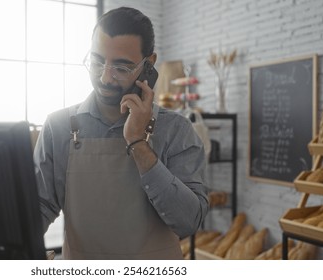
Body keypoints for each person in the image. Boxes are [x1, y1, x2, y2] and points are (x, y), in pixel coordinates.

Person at [34, 7, 209, 260]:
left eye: (122, 67)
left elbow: (188, 222)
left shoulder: (177, 130)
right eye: (97, 62)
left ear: (149, 65)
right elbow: (39, 208)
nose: (105, 77)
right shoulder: (58, 127)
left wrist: (138, 142)